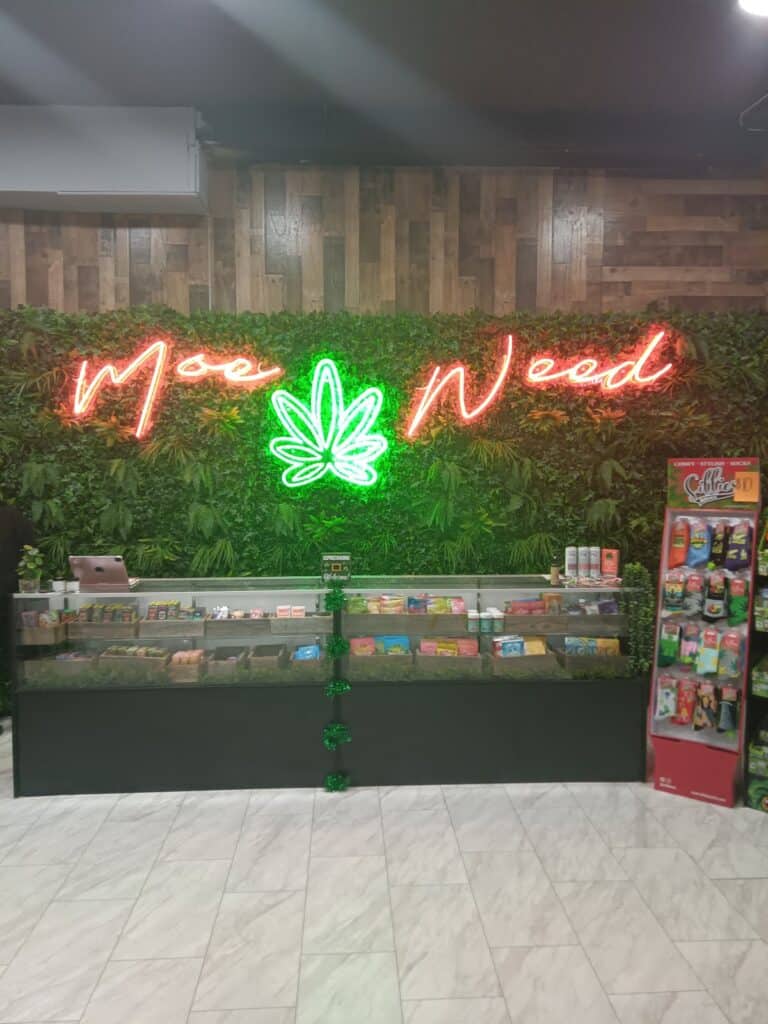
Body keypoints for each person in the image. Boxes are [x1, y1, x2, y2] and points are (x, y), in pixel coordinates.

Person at [0, 504, 36, 723]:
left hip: (9, 596)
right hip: (9, 595)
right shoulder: (13, 516)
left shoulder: (12, 516)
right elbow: (30, 550)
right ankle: (21, 710)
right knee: (14, 655)